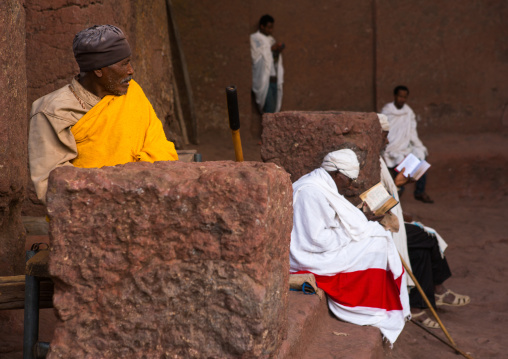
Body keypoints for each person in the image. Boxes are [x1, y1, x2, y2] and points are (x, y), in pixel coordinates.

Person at [29, 25, 178, 203]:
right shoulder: (53, 111)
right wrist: (118, 193)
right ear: (99, 70)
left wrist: (136, 184)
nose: (131, 71)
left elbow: (160, 149)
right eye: (124, 64)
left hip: (146, 201)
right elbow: (52, 183)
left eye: (130, 62)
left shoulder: (132, 92)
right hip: (89, 214)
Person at [290, 149, 410, 345]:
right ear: (337, 174)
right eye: (349, 179)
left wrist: (358, 222)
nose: (351, 184)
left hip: (323, 245)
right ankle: (370, 306)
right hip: (307, 255)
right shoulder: (310, 191)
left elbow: (327, 224)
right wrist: (349, 232)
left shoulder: (322, 183)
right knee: (377, 242)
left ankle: (382, 302)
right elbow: (314, 241)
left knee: (379, 236)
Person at [378, 114, 470, 328]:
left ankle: (419, 306)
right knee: (426, 236)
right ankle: (438, 289)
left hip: (389, 219)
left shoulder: (379, 160)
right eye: (384, 136)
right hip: (379, 226)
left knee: (420, 249)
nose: (387, 141)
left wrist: (399, 185)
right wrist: (398, 184)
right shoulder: (370, 163)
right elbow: (376, 206)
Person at [381, 85, 433, 203]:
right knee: (396, 160)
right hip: (391, 147)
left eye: (405, 97)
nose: (402, 99)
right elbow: (384, 131)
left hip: (404, 146)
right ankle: (397, 190)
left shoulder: (408, 112)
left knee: (420, 154)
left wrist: (420, 146)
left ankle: (419, 191)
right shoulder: (387, 111)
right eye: (400, 96)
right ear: (395, 96)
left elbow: (412, 133)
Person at [250, 14, 284, 114]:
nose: (271, 30)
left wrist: (276, 51)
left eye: (272, 27)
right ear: (262, 26)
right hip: (264, 80)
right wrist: (270, 49)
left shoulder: (271, 40)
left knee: (274, 112)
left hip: (274, 80)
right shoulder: (255, 38)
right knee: (269, 112)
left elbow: (273, 61)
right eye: (269, 27)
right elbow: (256, 56)